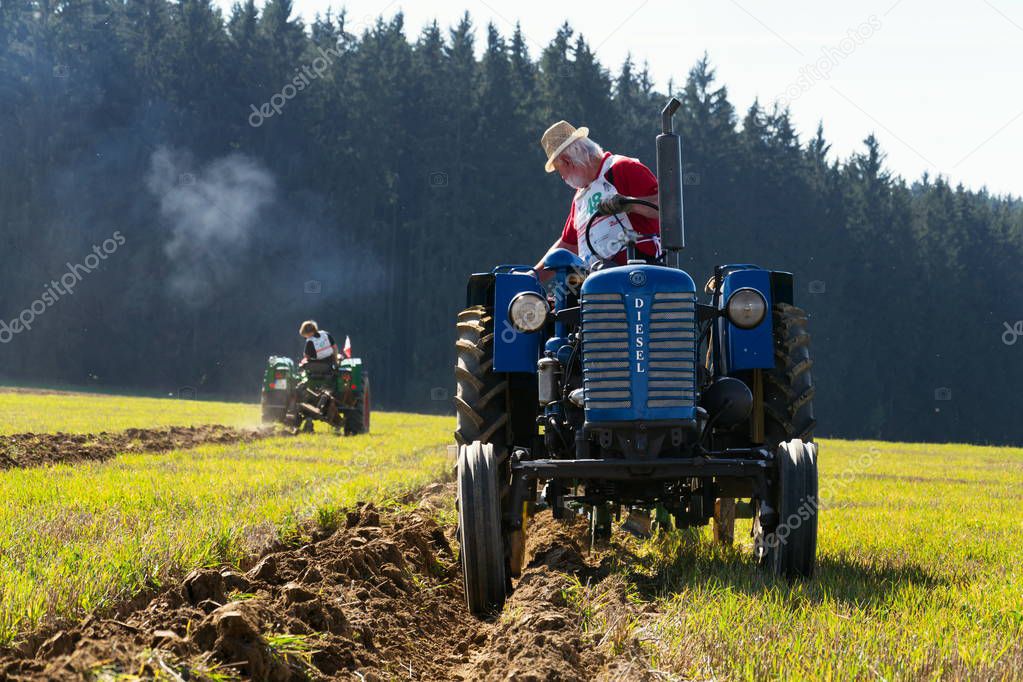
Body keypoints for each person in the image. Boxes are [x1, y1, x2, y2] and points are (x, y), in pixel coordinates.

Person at [534, 120, 662, 279]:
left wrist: (629, 204)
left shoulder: (622, 168)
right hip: (596, 286)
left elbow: (667, 206)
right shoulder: (580, 198)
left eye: (561, 171)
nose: (563, 177)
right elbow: (568, 245)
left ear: (568, 161)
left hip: (638, 280)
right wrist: (532, 276)